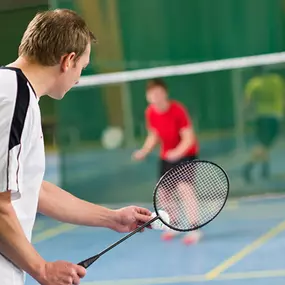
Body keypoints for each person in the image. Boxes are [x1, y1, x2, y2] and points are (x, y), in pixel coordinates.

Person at [0, 9, 152, 285]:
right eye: (82, 66)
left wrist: (112, 218)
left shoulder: (15, 93)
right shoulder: (14, 97)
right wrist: (42, 269)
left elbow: (31, 187)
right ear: (68, 60)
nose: (79, 77)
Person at [132, 78, 202, 245]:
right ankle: (174, 225)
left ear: (165, 93)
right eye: (151, 93)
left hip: (186, 154)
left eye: (158, 92)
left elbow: (189, 137)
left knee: (185, 189)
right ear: (147, 96)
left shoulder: (178, 109)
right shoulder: (150, 112)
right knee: (164, 193)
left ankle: (194, 228)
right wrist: (144, 151)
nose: (155, 96)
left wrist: (178, 153)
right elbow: (154, 135)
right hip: (166, 156)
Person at [243, 66, 285, 183]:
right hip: (274, 117)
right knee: (264, 145)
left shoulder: (254, 83)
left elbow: (247, 101)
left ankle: (264, 169)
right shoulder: (277, 80)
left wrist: (246, 115)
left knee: (265, 144)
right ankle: (249, 166)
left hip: (260, 118)